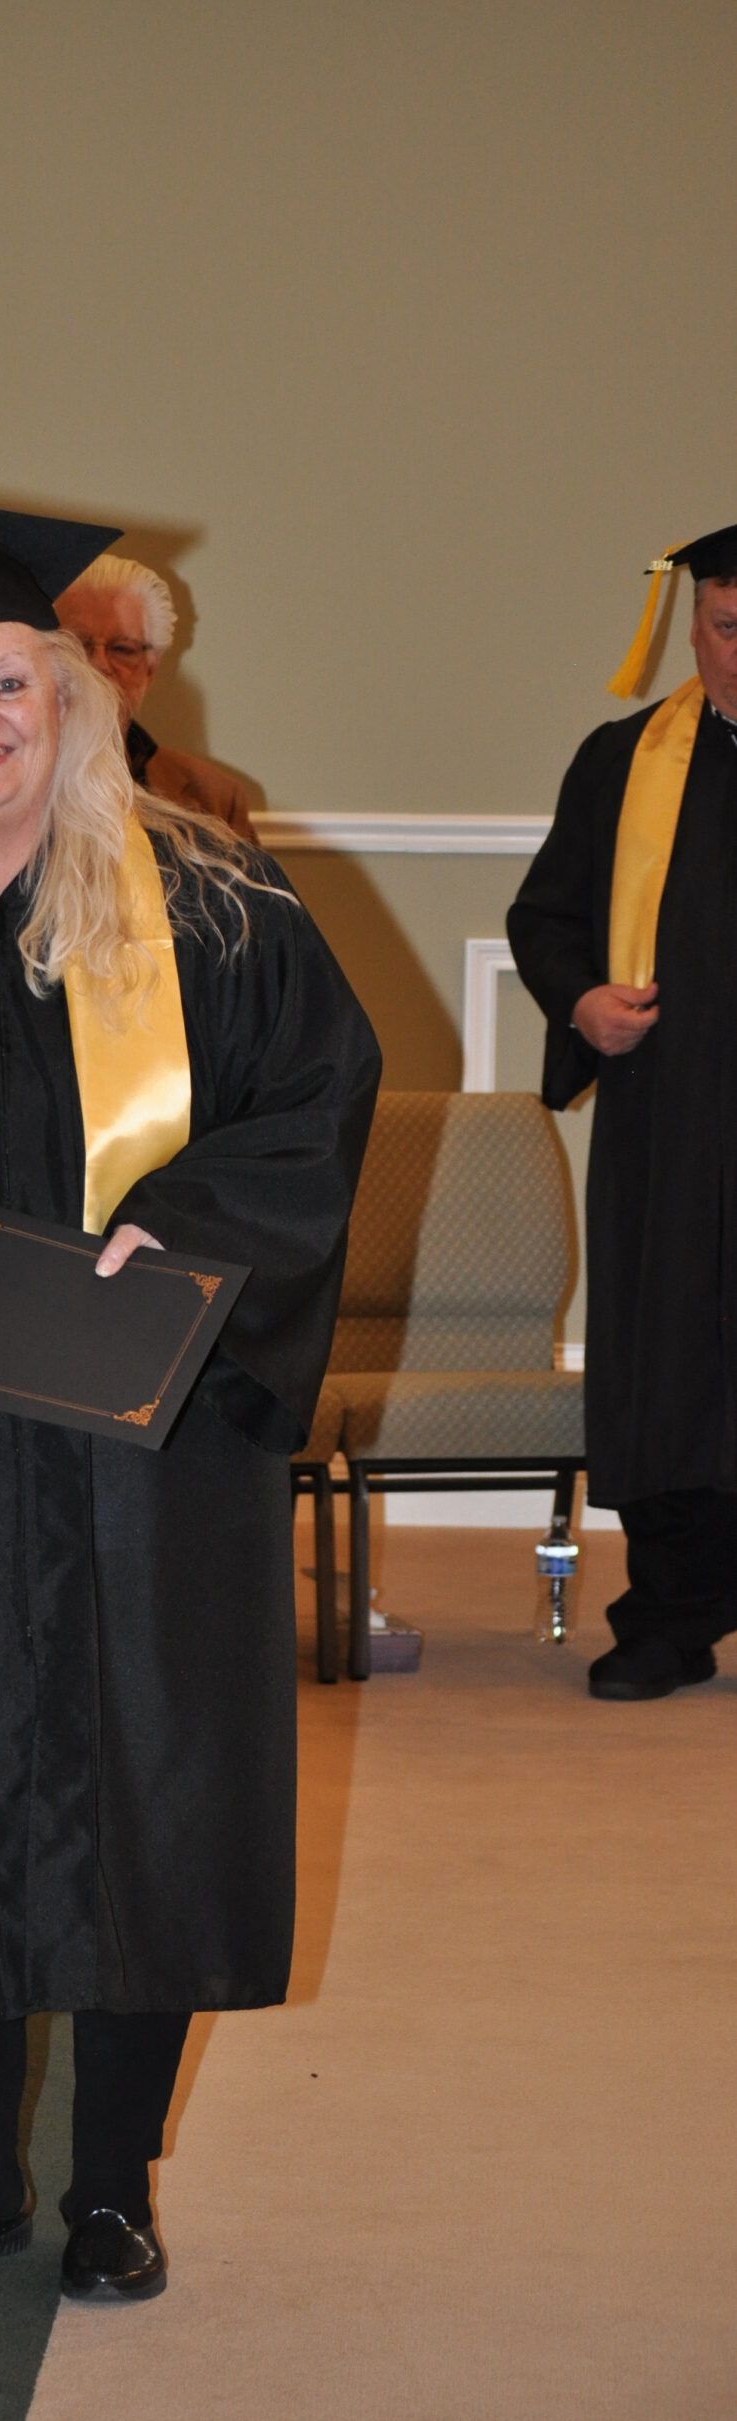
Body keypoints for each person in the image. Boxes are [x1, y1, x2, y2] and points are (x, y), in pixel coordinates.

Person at [0, 497, 378, 2303]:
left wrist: (183, 1232)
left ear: (73, 702)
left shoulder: (206, 891)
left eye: (6, 686)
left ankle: (111, 2185)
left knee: (146, 1795)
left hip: (150, 1427)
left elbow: (317, 1098)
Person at [508, 522, 737, 1702]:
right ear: (689, 626)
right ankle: (667, 1615)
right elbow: (541, 919)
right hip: (670, 1118)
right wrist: (580, 1002)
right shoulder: (621, 758)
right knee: (667, 1366)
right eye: (726, 627)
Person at [56, 551, 258, 840]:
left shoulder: (217, 798)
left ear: (150, 670)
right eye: (78, 645)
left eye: (123, 649)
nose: (99, 665)